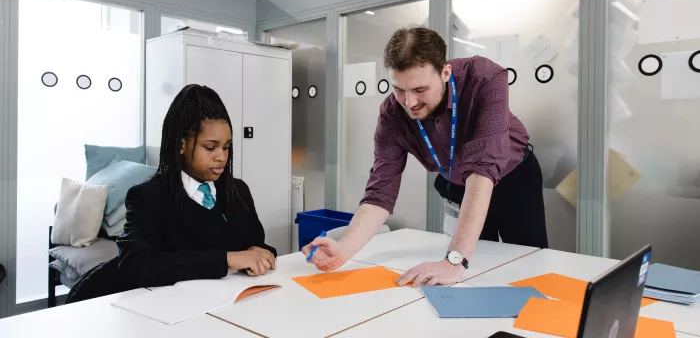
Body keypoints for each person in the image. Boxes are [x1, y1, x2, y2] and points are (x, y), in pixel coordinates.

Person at [302, 27, 547, 287]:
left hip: (513, 179)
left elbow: (483, 168)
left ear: (445, 72)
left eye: (420, 89)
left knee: (526, 266)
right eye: (399, 90)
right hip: (459, 183)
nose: (410, 102)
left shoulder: (485, 79)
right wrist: (343, 249)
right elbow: (380, 191)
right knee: (472, 276)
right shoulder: (391, 114)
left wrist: (454, 260)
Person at [66, 84, 275, 302]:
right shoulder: (148, 196)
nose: (221, 157)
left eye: (226, 147)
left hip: (220, 305)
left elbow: (255, 244)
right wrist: (227, 259)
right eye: (210, 147)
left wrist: (261, 252)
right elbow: (136, 265)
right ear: (181, 145)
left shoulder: (238, 191)